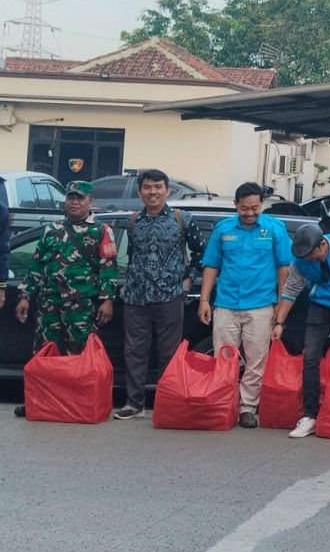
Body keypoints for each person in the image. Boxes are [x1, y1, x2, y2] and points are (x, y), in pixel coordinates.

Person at [14, 181, 118, 417]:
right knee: (45, 354)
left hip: (81, 306)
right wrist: (25, 296)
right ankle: (39, 402)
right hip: (49, 304)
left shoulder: (101, 231)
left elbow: (109, 268)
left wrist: (107, 299)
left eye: (80, 198)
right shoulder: (51, 229)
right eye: (71, 198)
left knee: (78, 356)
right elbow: (37, 265)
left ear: (90, 201)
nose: (74, 202)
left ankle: (76, 404)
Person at [198, 182, 292, 429]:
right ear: (235, 206)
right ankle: (224, 404)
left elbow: (284, 269)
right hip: (226, 304)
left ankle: (247, 408)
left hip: (261, 305)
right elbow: (211, 266)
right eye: (244, 209)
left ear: (262, 204)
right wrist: (204, 300)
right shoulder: (223, 229)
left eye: (255, 208)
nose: (249, 213)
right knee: (224, 359)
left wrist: (280, 309)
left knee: (256, 360)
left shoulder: (275, 229)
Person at [114, 169, 206, 420]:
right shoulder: (133, 221)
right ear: (139, 191)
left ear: (167, 190)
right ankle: (134, 403)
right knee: (134, 351)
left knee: (169, 352)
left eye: (157, 187)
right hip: (136, 297)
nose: (152, 192)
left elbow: (200, 253)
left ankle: (167, 402)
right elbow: (132, 255)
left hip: (170, 296)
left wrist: (188, 279)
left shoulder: (181, 219)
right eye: (147, 187)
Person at [275, 224, 330, 439]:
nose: (309, 260)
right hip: (319, 306)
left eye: (312, 254)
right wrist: (279, 322)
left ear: (323, 244)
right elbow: (291, 290)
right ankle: (310, 415)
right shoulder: (300, 262)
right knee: (311, 357)